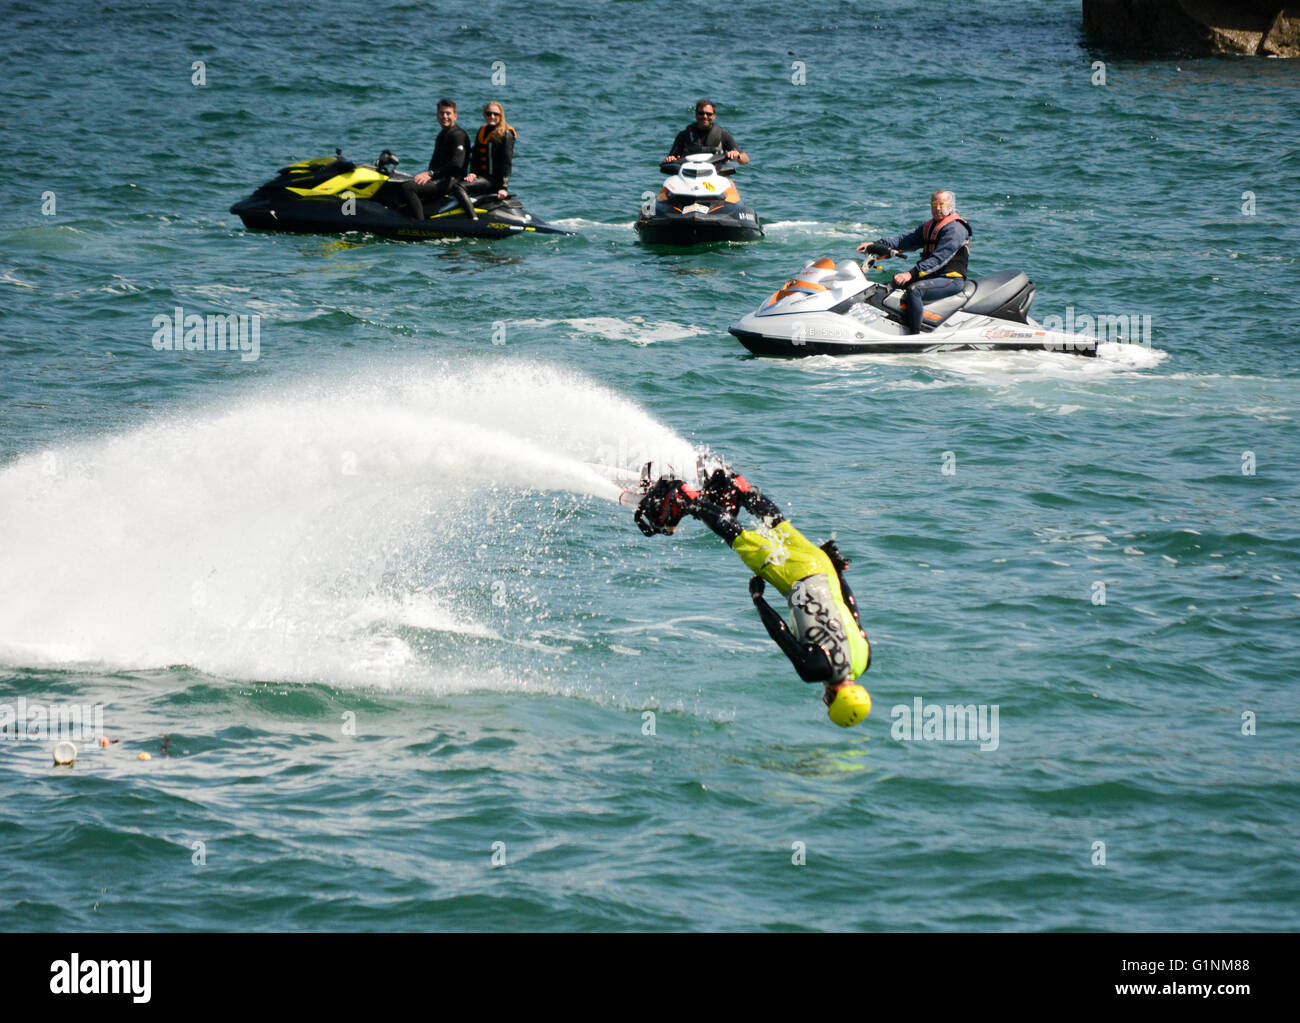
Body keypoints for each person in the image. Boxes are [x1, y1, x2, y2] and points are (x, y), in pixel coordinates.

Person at [634, 464, 871, 728]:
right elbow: (779, 632)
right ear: (832, 698)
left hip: (822, 568)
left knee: (777, 525)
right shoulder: (814, 670)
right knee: (739, 538)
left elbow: (852, 608)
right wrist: (759, 598)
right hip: (794, 579)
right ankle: (684, 495)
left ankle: (740, 487)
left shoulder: (863, 658)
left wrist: (839, 572)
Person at [857, 191, 972, 334]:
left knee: (915, 290)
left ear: (950, 206)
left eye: (941, 204)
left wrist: (911, 274)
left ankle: (914, 336)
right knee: (886, 288)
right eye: (934, 204)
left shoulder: (956, 229)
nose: (937, 208)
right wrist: (876, 245)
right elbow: (902, 241)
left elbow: (939, 258)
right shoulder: (929, 226)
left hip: (950, 279)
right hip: (931, 276)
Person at [400, 98, 473, 221]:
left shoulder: (458, 135)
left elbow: (457, 163)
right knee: (401, 182)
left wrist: (431, 174)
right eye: (441, 113)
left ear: (455, 116)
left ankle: (419, 224)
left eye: (448, 113)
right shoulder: (442, 134)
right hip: (439, 178)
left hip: (452, 181)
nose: (445, 116)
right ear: (437, 115)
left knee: (408, 187)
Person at [462, 101, 516, 212]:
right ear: (484, 115)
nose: (492, 116)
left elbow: (506, 162)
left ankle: (472, 217)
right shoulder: (482, 131)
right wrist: (472, 173)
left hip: (493, 181)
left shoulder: (506, 134)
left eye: (496, 114)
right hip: (481, 178)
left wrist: (503, 187)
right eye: (489, 113)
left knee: (459, 186)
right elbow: (476, 155)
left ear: (501, 116)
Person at [664, 99, 749, 165]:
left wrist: (737, 156)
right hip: (689, 176)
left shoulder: (723, 135)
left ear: (714, 116)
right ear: (696, 114)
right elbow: (669, 160)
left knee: (731, 184)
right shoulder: (683, 135)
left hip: (716, 176)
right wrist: (670, 159)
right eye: (701, 113)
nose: (705, 116)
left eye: (709, 114)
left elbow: (745, 160)